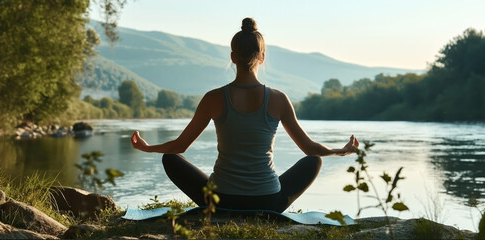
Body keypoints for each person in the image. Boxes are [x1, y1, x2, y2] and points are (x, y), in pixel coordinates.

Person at [131, 17, 359, 213]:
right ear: (262, 57)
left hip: (220, 200)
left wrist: (147, 147)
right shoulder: (279, 99)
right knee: (313, 162)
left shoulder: (213, 98)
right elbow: (309, 149)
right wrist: (341, 151)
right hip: (268, 202)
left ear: (233, 57)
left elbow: (179, 146)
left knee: (170, 158)